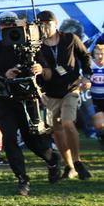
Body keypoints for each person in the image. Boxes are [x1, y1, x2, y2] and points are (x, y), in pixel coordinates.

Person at [0, 11, 61, 196]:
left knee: (33, 141)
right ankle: (23, 179)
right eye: (4, 25)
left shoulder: (32, 46)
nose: (8, 28)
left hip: (27, 99)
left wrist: (40, 69)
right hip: (5, 100)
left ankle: (52, 160)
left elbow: (48, 71)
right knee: (9, 139)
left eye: (11, 25)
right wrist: (4, 75)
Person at [38, 10, 92, 180]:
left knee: (68, 123)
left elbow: (85, 56)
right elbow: (35, 72)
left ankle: (77, 161)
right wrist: (39, 89)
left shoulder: (70, 38)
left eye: (48, 24)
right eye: (42, 24)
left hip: (71, 89)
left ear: (56, 23)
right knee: (57, 132)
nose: (45, 27)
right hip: (50, 94)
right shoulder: (36, 46)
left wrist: (87, 76)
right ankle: (69, 167)